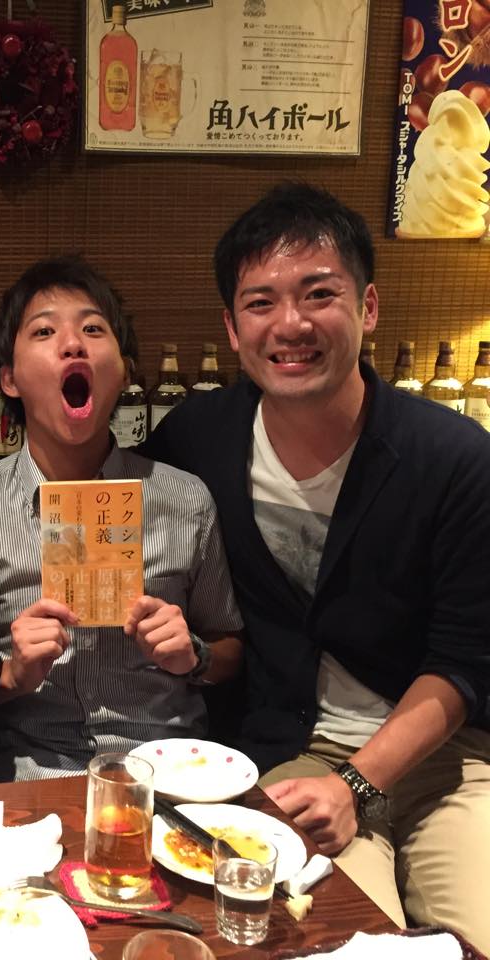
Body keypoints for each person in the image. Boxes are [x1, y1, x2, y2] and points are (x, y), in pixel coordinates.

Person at [142, 182, 490, 948]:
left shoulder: (454, 459)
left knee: (473, 935)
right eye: (261, 303)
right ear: (232, 328)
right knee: (305, 936)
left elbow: (464, 663)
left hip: (443, 759)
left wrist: (358, 782)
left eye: (319, 294)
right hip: (289, 753)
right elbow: (113, 496)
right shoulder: (201, 437)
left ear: (368, 307)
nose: (291, 324)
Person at [0, 255, 243, 782]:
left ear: (126, 371)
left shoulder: (185, 500)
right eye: (44, 331)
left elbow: (230, 646)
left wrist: (194, 656)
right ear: (9, 379)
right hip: (28, 773)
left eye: (93, 329)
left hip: (165, 770)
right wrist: (12, 675)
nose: (73, 344)